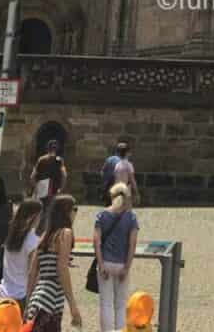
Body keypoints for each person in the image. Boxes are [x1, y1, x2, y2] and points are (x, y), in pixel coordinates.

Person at [25, 192, 82, 331]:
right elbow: (62, 268)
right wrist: (73, 306)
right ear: (66, 212)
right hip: (51, 302)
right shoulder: (65, 233)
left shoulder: (45, 236)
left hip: (38, 299)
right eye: (74, 209)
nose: (76, 213)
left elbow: (32, 273)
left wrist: (27, 304)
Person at [93, 182, 139, 332]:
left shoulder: (101, 215)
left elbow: (97, 242)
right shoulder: (131, 218)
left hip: (105, 261)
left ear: (112, 196)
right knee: (121, 304)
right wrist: (127, 267)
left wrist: (100, 264)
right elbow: (132, 245)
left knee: (105, 303)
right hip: (121, 264)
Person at [0, 197, 41, 317]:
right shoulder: (33, 241)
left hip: (2, 295)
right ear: (33, 216)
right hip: (21, 297)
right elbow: (32, 273)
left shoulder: (11, 236)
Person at [31, 141, 67, 226]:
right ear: (57, 149)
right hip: (53, 188)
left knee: (39, 209)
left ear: (47, 148)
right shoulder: (59, 160)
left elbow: (33, 176)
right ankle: (46, 229)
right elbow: (64, 175)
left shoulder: (41, 159)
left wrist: (35, 187)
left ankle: (39, 227)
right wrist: (61, 188)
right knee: (50, 210)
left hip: (42, 186)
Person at [99, 141, 138, 206]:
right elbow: (130, 180)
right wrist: (135, 192)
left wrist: (105, 182)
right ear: (127, 153)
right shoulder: (125, 163)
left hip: (108, 190)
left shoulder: (109, 159)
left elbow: (102, 172)